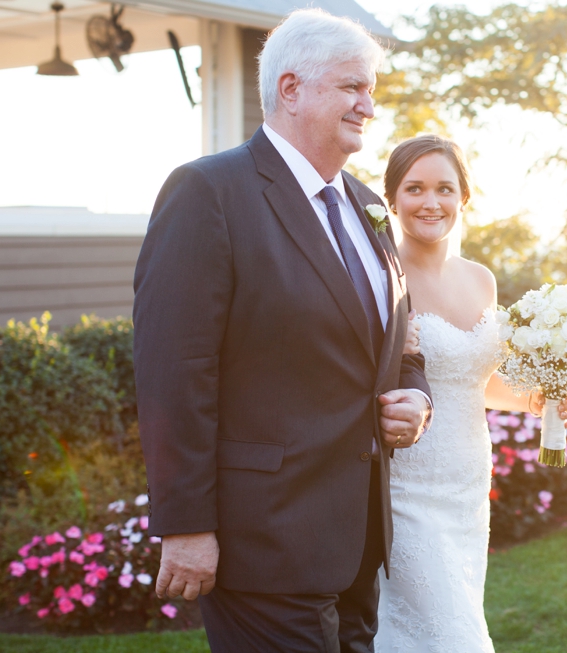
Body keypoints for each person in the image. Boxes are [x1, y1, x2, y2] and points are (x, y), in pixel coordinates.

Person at [132, 10, 432, 652]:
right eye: (353, 87)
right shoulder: (207, 192)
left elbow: (392, 339)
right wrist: (185, 526)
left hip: (355, 542)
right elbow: (173, 374)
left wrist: (416, 392)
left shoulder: (367, 206)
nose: (368, 106)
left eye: (371, 89)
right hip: (261, 540)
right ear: (291, 89)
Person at [374, 135, 567, 651]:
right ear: (392, 198)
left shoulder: (481, 280)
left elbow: (478, 381)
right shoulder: (379, 276)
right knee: (450, 637)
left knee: (453, 616)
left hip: (466, 484)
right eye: (414, 188)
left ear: (464, 197)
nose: (430, 202)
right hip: (403, 486)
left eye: (444, 188)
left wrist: (534, 399)